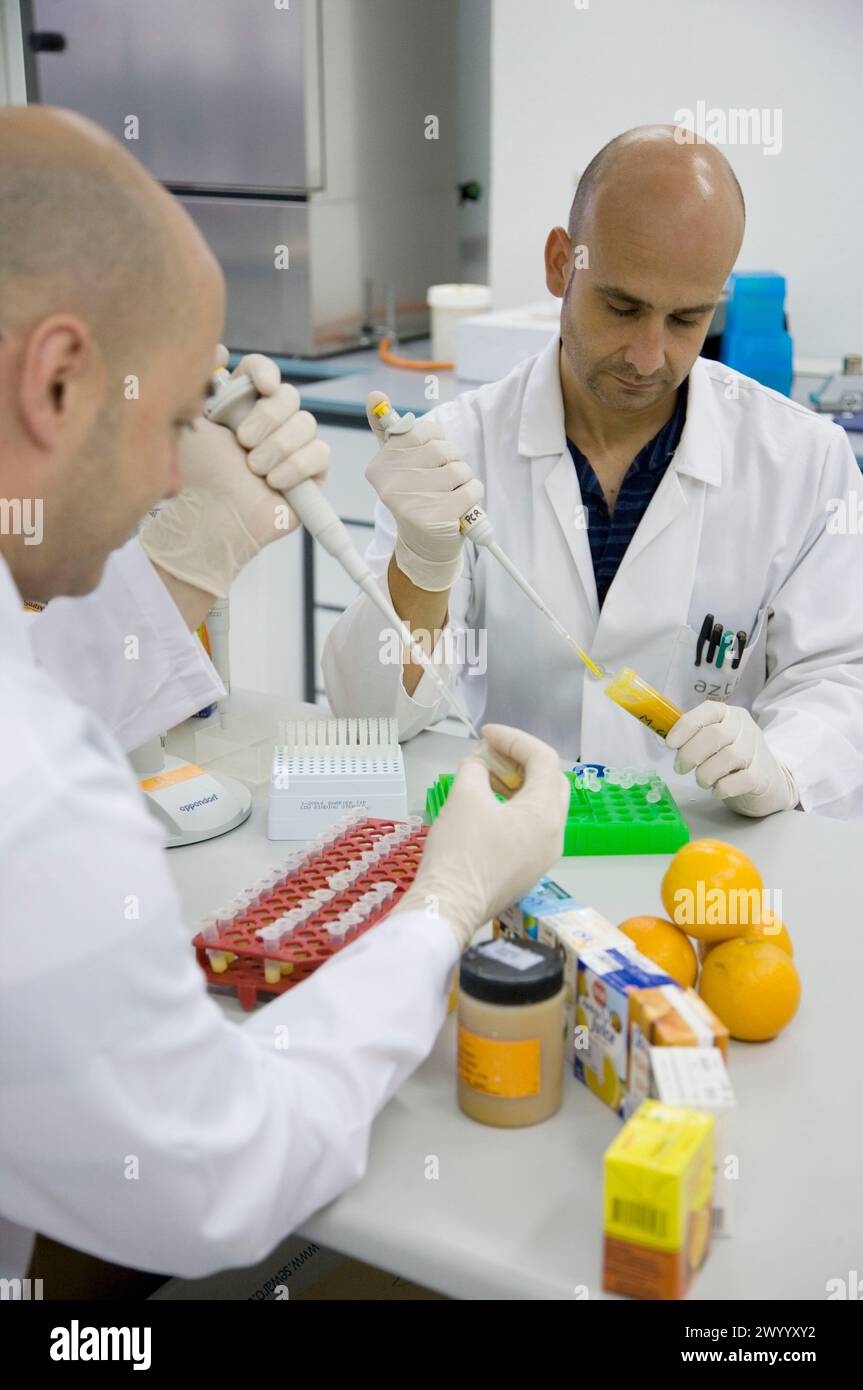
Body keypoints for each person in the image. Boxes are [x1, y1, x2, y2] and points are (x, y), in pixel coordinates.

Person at [0, 107, 569, 1282]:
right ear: (56, 379)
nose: (173, 469)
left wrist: (174, 568)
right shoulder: (32, 786)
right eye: (167, 426)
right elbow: (223, 1177)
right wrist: (440, 908)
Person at [324, 125, 863, 821]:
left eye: (686, 319)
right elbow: (370, 719)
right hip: (510, 848)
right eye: (622, 306)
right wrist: (422, 570)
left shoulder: (803, 462)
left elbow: (843, 680)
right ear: (560, 263)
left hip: (708, 862)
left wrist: (784, 765)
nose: (648, 356)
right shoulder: (456, 447)